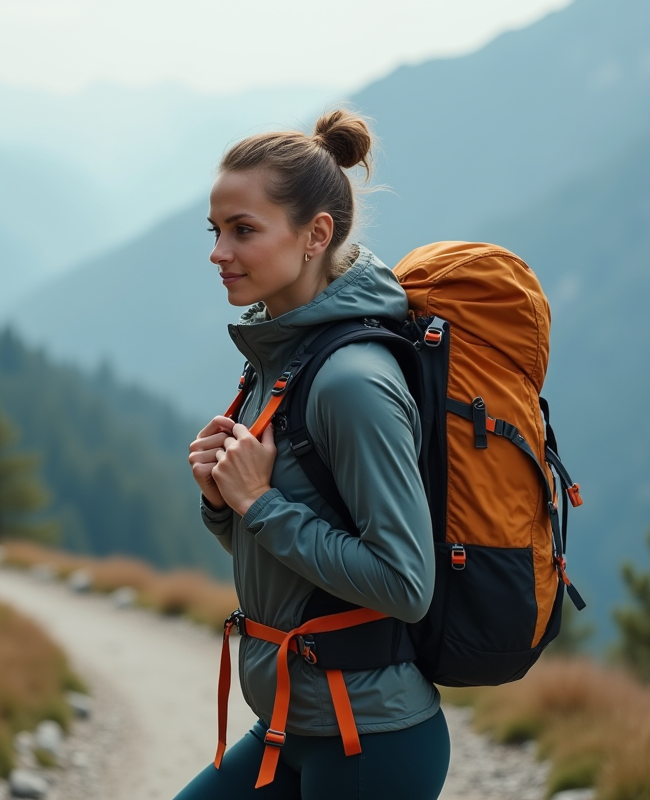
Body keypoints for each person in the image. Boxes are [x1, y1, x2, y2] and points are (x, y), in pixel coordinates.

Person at [178, 109, 450, 799]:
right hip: (292, 724)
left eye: (243, 230)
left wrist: (259, 503)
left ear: (316, 235)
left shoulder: (352, 382)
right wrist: (225, 503)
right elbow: (291, 567)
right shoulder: (280, 358)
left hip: (369, 741)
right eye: (215, 230)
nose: (218, 252)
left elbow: (405, 583)